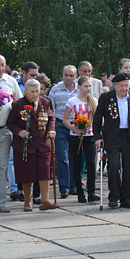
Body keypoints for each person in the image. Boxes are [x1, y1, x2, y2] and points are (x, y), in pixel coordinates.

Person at [93, 73, 130, 209]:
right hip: (112, 136)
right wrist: (98, 137)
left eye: (126, 86)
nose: (124, 88)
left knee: (129, 168)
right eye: (121, 86)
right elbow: (97, 119)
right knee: (114, 166)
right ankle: (114, 197)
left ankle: (127, 198)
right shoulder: (106, 98)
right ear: (114, 85)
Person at [6, 79, 58, 211]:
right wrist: (19, 131)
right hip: (25, 145)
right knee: (26, 173)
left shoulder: (45, 102)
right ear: (26, 91)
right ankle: (27, 201)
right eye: (33, 91)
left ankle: (45, 200)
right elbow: (11, 123)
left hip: (42, 143)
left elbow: (51, 117)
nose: (36, 94)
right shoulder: (18, 104)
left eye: (38, 91)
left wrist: (51, 130)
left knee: (44, 172)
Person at [62, 76, 99, 203]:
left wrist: (94, 129)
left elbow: (96, 118)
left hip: (90, 135)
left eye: (89, 86)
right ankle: (79, 192)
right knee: (76, 164)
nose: (88, 88)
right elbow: (65, 119)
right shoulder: (72, 101)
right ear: (79, 87)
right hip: (75, 136)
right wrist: (74, 128)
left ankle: (91, 192)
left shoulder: (93, 100)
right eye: (85, 86)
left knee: (91, 163)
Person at [48, 65, 79, 197]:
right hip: (60, 125)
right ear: (62, 76)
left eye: (71, 75)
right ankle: (64, 187)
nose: (68, 78)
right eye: (66, 75)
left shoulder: (80, 90)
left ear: (76, 76)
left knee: (74, 157)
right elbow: (51, 110)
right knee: (62, 157)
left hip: (76, 126)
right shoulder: (55, 90)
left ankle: (74, 186)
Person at [0, 54, 22, 213]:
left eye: (2, 65)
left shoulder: (10, 81)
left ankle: (0, 203)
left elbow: (19, 103)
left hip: (3, 131)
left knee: (2, 167)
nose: (0, 68)